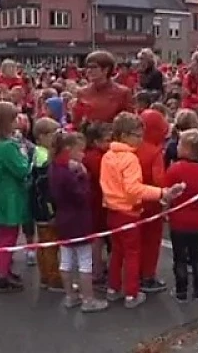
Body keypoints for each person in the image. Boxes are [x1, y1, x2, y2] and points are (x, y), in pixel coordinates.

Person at [100, 112, 185, 309]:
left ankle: (113, 288)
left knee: (117, 252)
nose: (140, 139)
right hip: (130, 210)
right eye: (137, 135)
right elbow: (135, 188)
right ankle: (132, 293)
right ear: (124, 135)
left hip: (112, 210)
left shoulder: (108, 155)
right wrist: (162, 193)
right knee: (132, 254)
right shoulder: (131, 158)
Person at [48, 130, 109, 312]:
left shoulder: (53, 167)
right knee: (84, 260)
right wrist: (84, 177)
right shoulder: (70, 174)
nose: (83, 154)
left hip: (63, 218)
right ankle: (88, 299)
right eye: (80, 151)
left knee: (66, 259)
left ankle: (70, 295)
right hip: (79, 219)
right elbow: (82, 196)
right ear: (69, 150)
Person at [0, 101, 31, 293]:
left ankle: (4, 269)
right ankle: (2, 275)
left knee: (0, 233)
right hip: (9, 195)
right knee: (9, 235)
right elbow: (22, 169)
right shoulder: (8, 146)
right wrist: (24, 153)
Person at [165, 128, 198, 303]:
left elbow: (167, 194)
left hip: (178, 221)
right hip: (197, 221)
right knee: (197, 256)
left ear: (187, 149)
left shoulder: (174, 169)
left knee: (179, 257)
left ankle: (181, 291)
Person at [135, 109, 169, 293]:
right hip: (151, 202)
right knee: (151, 241)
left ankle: (132, 276)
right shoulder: (154, 151)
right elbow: (159, 180)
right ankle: (147, 277)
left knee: (133, 242)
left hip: (130, 201)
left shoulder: (130, 146)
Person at [29, 117, 63, 292]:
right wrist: (51, 211)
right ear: (41, 136)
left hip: (38, 205)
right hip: (44, 207)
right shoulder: (44, 158)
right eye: (53, 135)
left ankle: (44, 276)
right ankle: (53, 278)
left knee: (43, 242)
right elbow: (46, 188)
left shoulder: (37, 152)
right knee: (50, 243)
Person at [81, 122, 111, 286]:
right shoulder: (96, 158)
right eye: (107, 140)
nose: (110, 143)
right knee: (97, 237)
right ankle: (97, 271)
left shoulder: (89, 155)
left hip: (96, 200)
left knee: (98, 236)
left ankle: (98, 267)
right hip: (97, 201)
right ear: (95, 141)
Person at [74, 50, 132, 124]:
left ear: (106, 70)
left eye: (93, 67)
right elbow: (76, 122)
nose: (88, 71)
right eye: (87, 67)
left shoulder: (123, 93)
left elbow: (129, 124)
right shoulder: (82, 92)